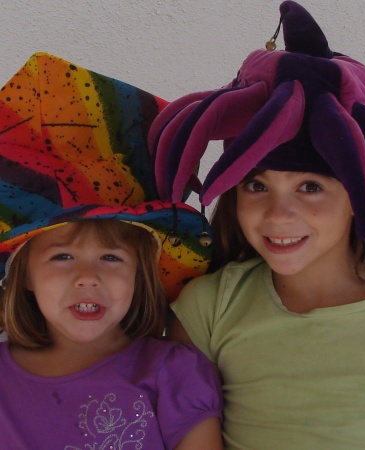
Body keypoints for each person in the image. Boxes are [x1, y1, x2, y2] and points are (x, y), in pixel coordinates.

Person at [149, 1, 365, 449]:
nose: (278, 214)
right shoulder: (209, 308)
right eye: (256, 186)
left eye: (311, 187)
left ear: (359, 196)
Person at [0, 52, 223, 449]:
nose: (88, 276)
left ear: (141, 275)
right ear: (25, 274)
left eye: (111, 257)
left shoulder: (173, 372)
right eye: (62, 256)